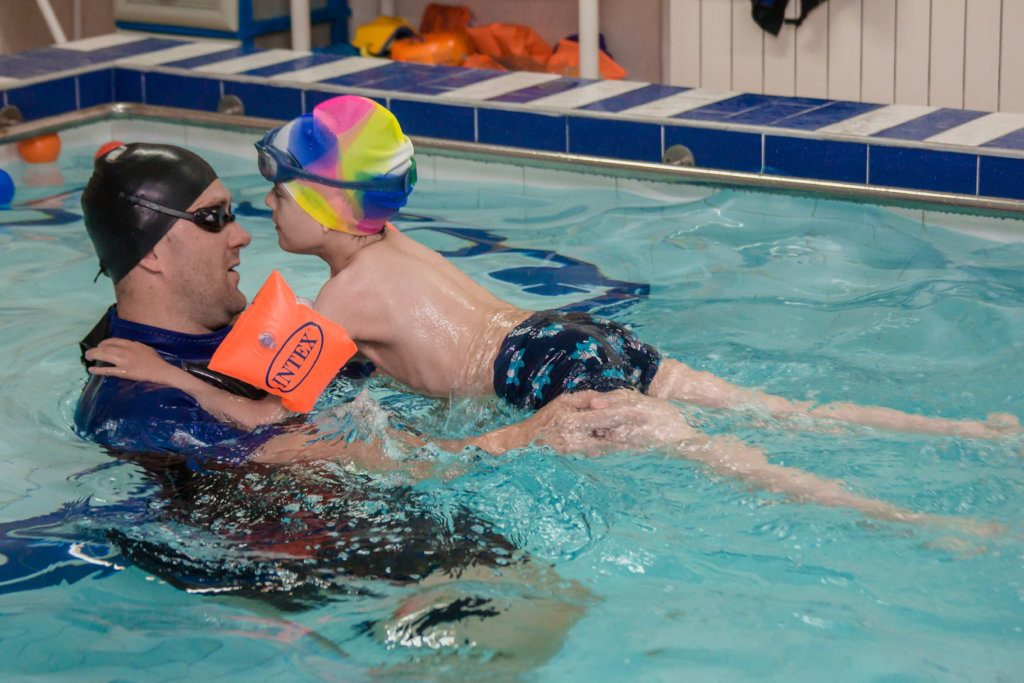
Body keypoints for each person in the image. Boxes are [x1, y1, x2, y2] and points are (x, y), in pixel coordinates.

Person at [85, 101, 1012, 533]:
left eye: (272, 195)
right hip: (563, 335)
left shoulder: (340, 302)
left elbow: (265, 418)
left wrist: (170, 378)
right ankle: (967, 430)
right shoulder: (397, 253)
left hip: (542, 374)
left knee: (726, 459)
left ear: (322, 207)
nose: (259, 218)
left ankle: (894, 514)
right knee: (768, 409)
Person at [72, 141, 635, 670]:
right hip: (350, 575)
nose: (241, 235)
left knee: (565, 609)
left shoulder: (255, 339)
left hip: (419, 538)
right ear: (152, 255)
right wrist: (522, 437)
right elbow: (324, 449)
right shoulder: (134, 401)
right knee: (535, 625)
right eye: (214, 218)